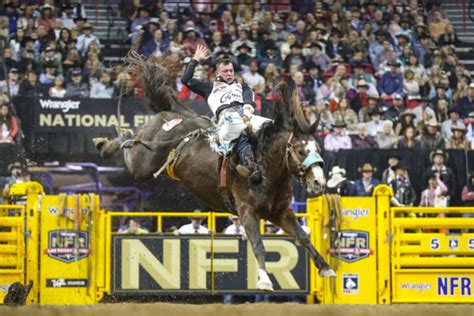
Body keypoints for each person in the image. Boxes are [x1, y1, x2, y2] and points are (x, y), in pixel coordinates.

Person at [181, 45, 263, 182]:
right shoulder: (209, 87)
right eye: (225, 71)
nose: (229, 74)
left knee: (271, 125)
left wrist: (246, 116)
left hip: (246, 115)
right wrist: (195, 59)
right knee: (238, 127)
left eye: (231, 71)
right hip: (227, 119)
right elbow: (186, 80)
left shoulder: (243, 86)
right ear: (218, 73)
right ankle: (250, 165)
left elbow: (249, 101)